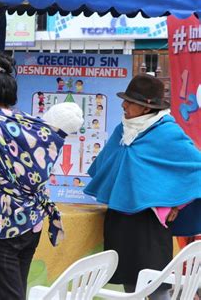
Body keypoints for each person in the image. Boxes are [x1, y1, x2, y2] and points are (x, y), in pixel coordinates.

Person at [0, 53, 84, 300]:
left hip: (5, 226)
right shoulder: (31, 123)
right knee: (16, 290)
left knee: (8, 296)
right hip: (33, 221)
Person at [84, 74, 201, 300]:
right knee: (130, 286)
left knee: (157, 287)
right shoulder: (123, 130)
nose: (124, 105)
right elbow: (106, 165)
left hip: (150, 223)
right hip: (119, 220)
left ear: (147, 107)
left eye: (130, 102)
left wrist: (177, 203)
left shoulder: (166, 132)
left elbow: (196, 167)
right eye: (125, 100)